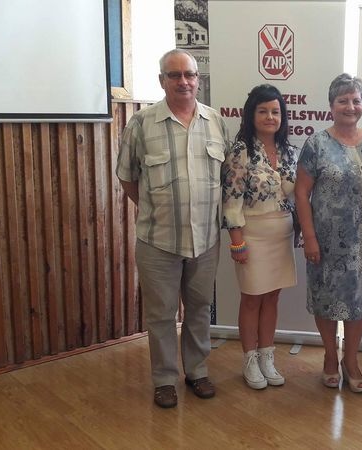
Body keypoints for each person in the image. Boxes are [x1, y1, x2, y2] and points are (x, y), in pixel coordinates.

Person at [115, 48, 230, 408]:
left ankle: (197, 371)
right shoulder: (141, 124)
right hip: (158, 241)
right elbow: (128, 177)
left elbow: (225, 176)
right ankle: (164, 379)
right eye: (175, 75)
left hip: (205, 239)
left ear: (198, 79)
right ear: (161, 80)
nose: (184, 81)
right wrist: (157, 209)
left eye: (189, 75)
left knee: (199, 308)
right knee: (161, 315)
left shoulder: (215, 122)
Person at [295, 73, 362, 393]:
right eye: (343, 100)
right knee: (327, 301)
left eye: (356, 100)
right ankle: (329, 356)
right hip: (326, 242)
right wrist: (309, 237)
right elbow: (301, 193)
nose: (350, 106)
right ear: (331, 105)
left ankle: (351, 360)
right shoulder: (316, 144)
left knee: (359, 301)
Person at [222, 84, 298, 390]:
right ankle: (250, 359)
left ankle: (267, 356)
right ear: (251, 114)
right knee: (252, 299)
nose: (270, 117)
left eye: (275, 112)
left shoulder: (289, 151)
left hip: (282, 235)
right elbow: (231, 200)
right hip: (252, 236)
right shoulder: (241, 151)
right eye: (263, 111)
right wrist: (237, 241)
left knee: (272, 297)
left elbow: (294, 194)